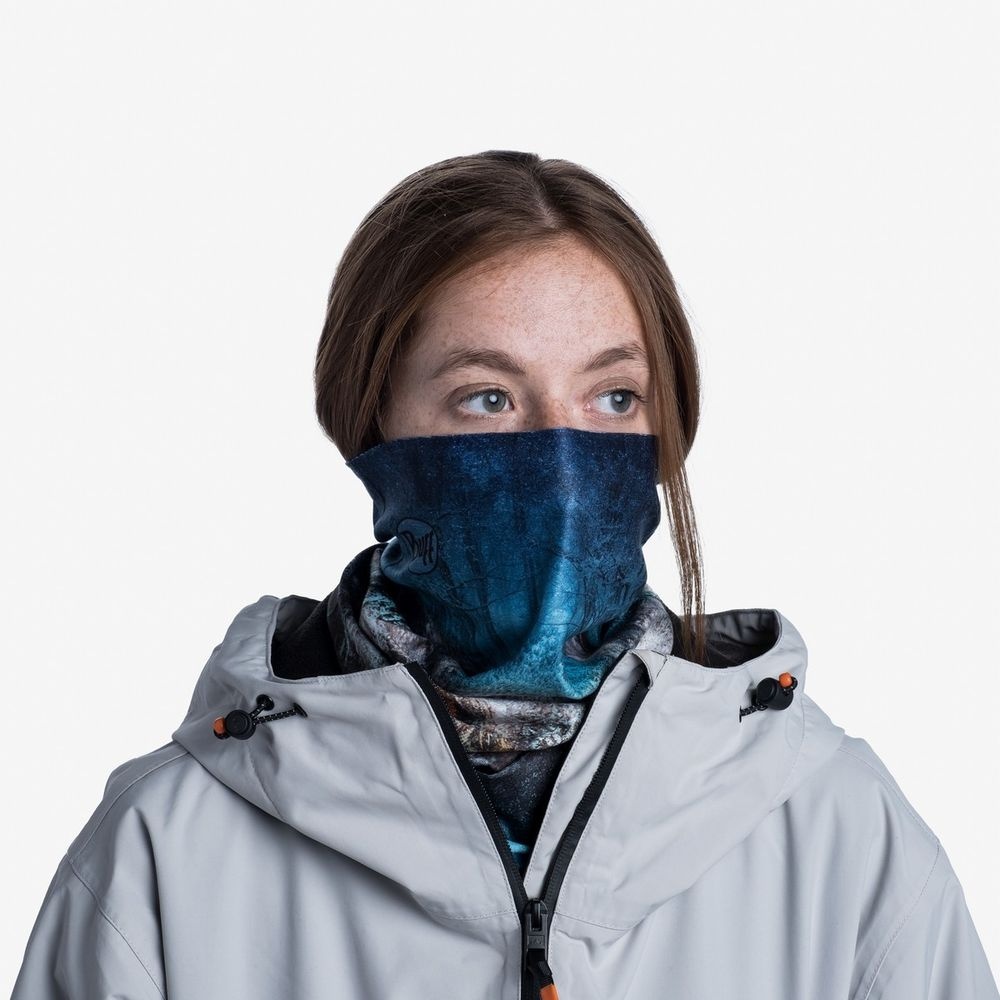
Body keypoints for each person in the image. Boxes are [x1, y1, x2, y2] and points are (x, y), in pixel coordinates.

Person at [11, 150, 998, 1000]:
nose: (560, 464)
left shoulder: (837, 832)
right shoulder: (167, 854)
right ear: (369, 423)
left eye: (614, 397)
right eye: (486, 397)